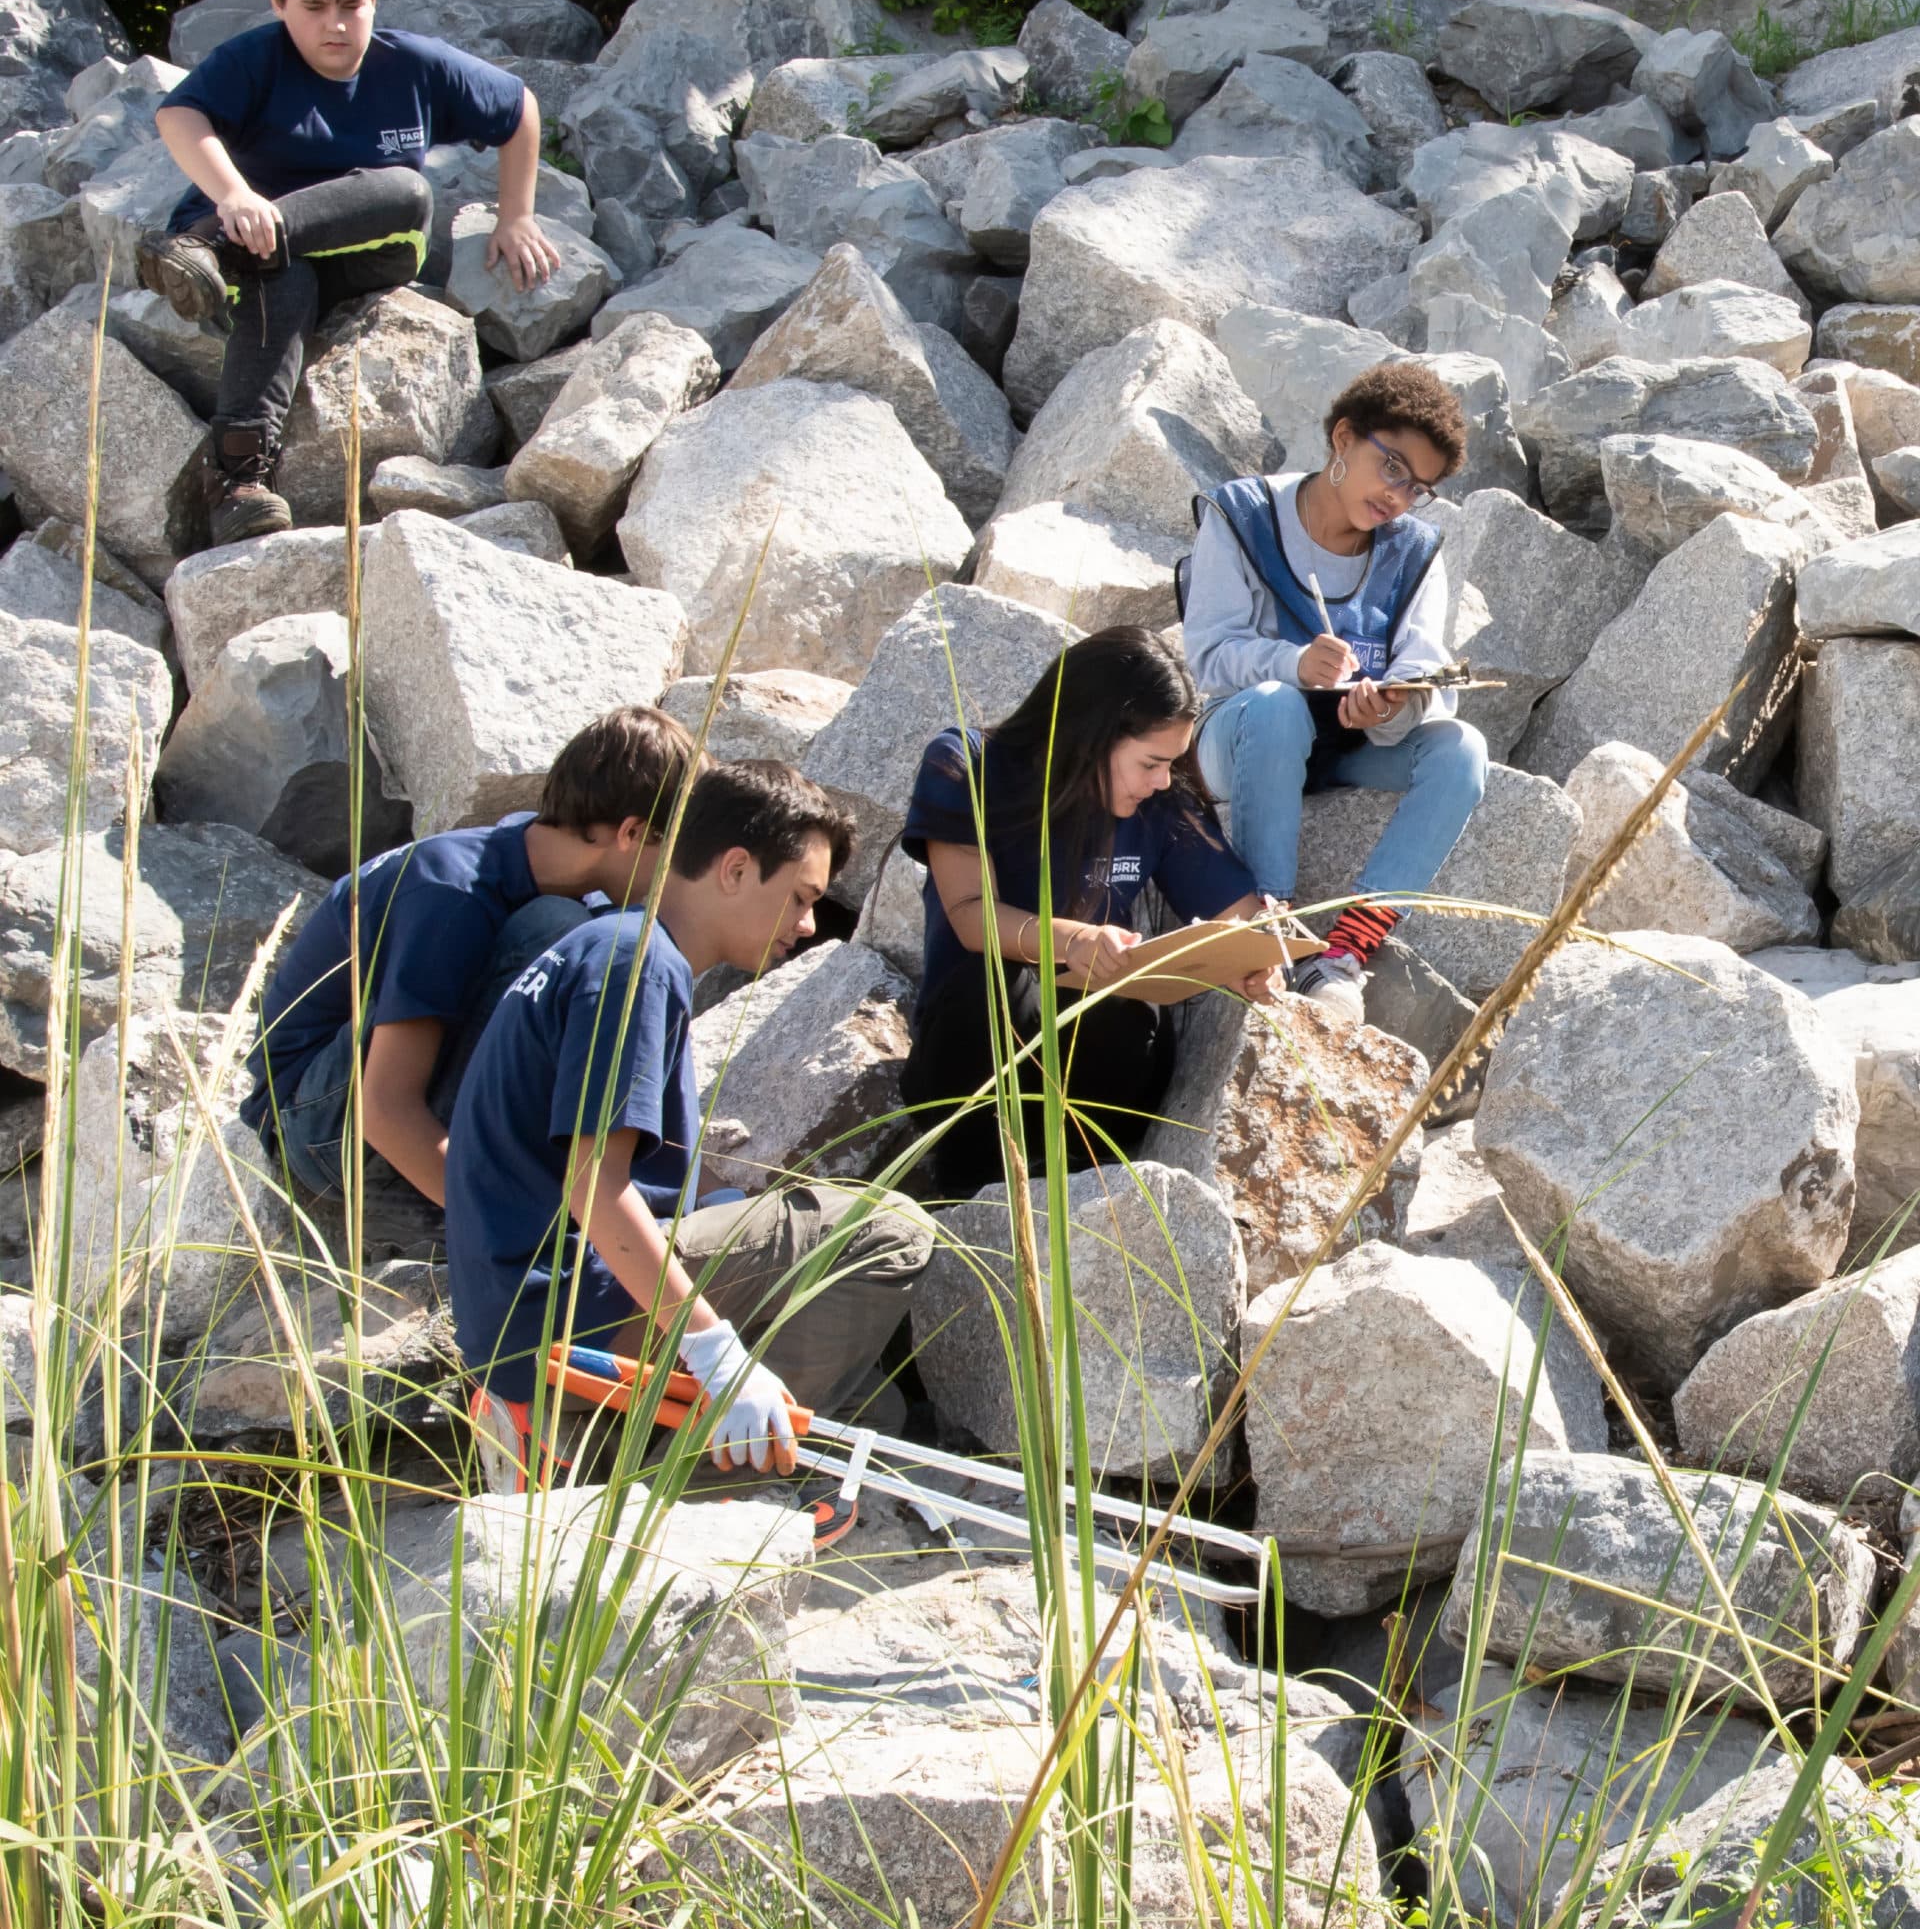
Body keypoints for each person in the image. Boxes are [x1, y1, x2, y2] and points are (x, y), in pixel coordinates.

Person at [445, 759, 931, 1495]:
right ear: (734, 869)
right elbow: (593, 1184)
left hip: (520, 1317)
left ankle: (623, 1430)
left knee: (877, 1408)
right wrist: (714, 1351)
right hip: (554, 1316)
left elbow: (645, 1165)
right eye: (800, 899)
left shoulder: (609, 946)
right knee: (889, 1229)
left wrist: (728, 1215)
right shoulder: (637, 967)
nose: (807, 926)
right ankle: (656, 1477)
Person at [139, 0, 562, 547]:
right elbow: (177, 113)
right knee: (281, 280)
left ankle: (208, 252)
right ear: (279, 3)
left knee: (406, 188)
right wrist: (235, 196)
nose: (335, 24)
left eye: (351, 6)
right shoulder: (256, 58)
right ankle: (237, 483)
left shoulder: (413, 65)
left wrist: (516, 214)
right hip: (256, 251)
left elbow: (518, 108)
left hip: (373, 244)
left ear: (374, 1)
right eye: (313, 8)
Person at [243, 705, 700, 1205]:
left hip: (351, 1108)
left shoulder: (527, 857)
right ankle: (437, 1199)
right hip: (317, 1127)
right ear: (631, 834)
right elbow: (385, 1110)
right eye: (677, 854)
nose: (678, 877)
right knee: (564, 937)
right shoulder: (452, 891)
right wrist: (493, 1232)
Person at [897, 625, 1280, 1199]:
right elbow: (971, 913)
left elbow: (1239, 914)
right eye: (1150, 762)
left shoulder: (1161, 804)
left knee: (1137, 1016)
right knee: (994, 987)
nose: (1162, 781)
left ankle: (1085, 1185)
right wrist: (1075, 941)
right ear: (1091, 734)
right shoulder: (966, 765)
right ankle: (972, 1199)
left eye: (1172, 764)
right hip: (980, 1061)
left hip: (1100, 1069)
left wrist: (1257, 958)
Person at [1186, 361, 1489, 1026]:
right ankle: (1270, 933)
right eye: (1392, 468)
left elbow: (1427, 671)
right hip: (1238, 737)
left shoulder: (1415, 551)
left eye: (1420, 489)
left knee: (1462, 749)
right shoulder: (1239, 514)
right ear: (1344, 438)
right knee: (1275, 705)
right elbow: (1207, 653)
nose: (1400, 499)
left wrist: (1394, 706)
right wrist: (1293, 663)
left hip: (1347, 743)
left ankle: (1346, 953)